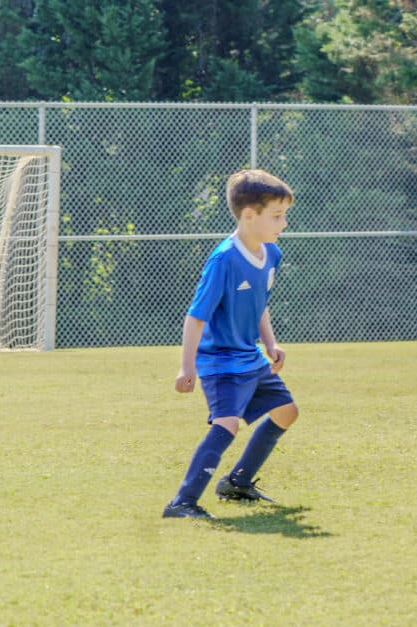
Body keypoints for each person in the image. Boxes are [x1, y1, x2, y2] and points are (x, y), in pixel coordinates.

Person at [163, 169, 300, 519]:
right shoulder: (223, 260)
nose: (283, 224)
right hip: (220, 361)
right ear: (249, 216)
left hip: (250, 357)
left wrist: (270, 343)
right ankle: (182, 502)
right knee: (228, 424)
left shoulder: (272, 254)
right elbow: (196, 316)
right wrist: (187, 366)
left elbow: (259, 303)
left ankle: (237, 482)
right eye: (277, 216)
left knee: (287, 412)